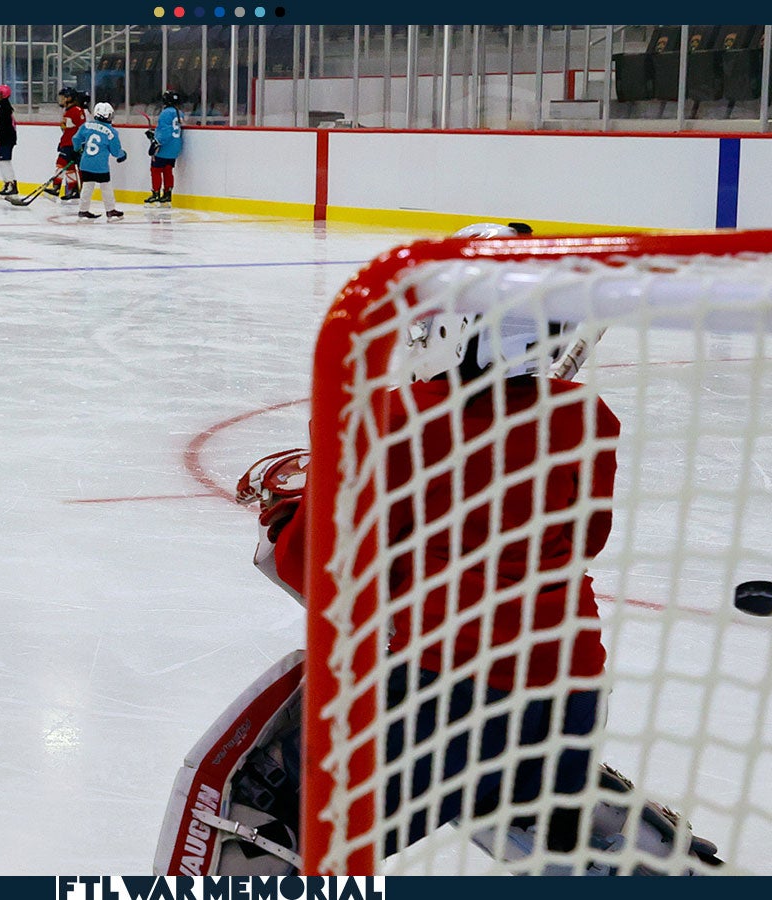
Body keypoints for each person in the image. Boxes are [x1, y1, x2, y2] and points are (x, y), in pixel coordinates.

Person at [157, 225, 723, 876]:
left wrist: (291, 521)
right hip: (570, 686)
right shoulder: (585, 415)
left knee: (272, 822)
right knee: (539, 826)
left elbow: (316, 570)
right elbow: (582, 539)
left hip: (449, 691)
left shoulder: (390, 417)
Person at [72, 102, 128, 220]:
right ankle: (110, 210)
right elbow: (115, 151)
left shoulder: (86, 126)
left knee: (87, 186)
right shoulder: (111, 132)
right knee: (106, 187)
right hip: (100, 166)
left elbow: (76, 139)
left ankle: (83, 210)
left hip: (86, 163)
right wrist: (122, 155)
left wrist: (77, 149)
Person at [44, 87, 88, 201]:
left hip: (71, 145)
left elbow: (80, 129)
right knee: (70, 168)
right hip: (67, 143)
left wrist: (78, 146)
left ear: (69, 98)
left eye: (63, 97)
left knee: (61, 164)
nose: (61, 100)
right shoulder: (69, 110)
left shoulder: (76, 110)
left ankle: (56, 188)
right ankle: (73, 190)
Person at [144, 90, 185, 206]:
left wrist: (156, 141)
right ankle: (167, 194)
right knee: (168, 170)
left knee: (155, 170)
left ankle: (156, 193)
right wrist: (155, 132)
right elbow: (171, 129)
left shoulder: (165, 113)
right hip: (175, 147)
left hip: (164, 148)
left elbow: (165, 132)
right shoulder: (179, 113)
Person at [0, 84, 18, 196]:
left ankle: (12, 184)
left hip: (7, 139)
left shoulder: (4, 109)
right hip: (7, 139)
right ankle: (7, 183)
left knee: (5, 162)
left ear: (3, 95)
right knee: (2, 161)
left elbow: (4, 127)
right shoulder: (5, 108)